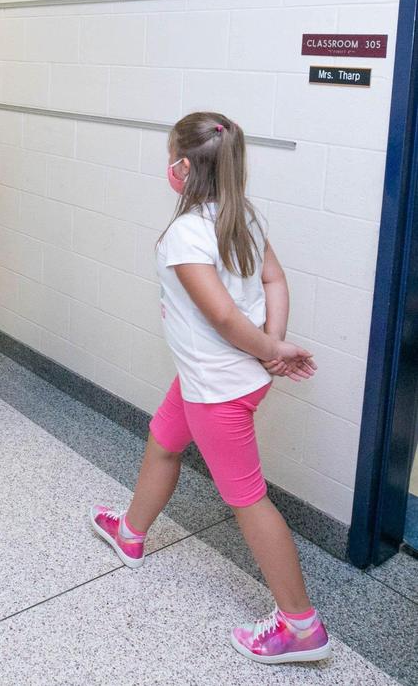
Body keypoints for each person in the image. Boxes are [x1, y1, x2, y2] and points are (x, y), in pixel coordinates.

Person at [89, 112, 331, 665]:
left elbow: (222, 317)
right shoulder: (243, 215)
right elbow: (274, 280)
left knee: (249, 501)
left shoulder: (186, 233)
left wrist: (272, 350)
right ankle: (130, 532)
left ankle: (301, 627)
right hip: (214, 376)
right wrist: (273, 342)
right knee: (165, 439)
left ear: (181, 167)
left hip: (217, 388)